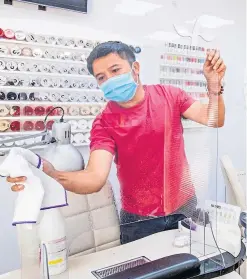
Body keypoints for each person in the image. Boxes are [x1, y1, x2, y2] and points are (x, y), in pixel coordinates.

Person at [7, 41, 226, 244]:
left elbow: (214, 119)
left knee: (190, 275)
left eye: (115, 70)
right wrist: (51, 175)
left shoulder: (169, 95)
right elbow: (94, 178)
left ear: (135, 68)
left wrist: (214, 87)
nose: (109, 80)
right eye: (101, 77)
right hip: (140, 220)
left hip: (185, 207)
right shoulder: (104, 122)